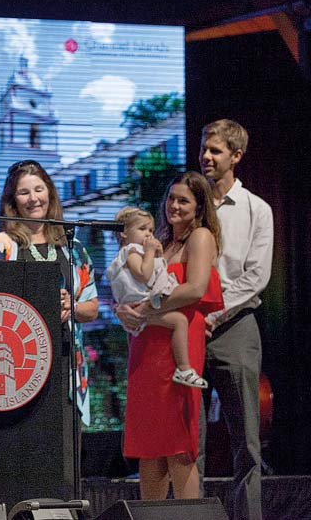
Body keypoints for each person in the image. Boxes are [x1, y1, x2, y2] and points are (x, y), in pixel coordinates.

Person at [118, 171, 224, 500]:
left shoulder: (201, 236)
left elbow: (194, 288)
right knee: (151, 448)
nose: (173, 206)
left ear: (199, 205)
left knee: (180, 445)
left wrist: (147, 308)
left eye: (183, 200)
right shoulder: (161, 241)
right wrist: (125, 310)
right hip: (147, 346)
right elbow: (135, 286)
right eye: (171, 198)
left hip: (179, 345)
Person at [198, 119, 273, 520]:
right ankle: (191, 513)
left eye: (215, 151)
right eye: (204, 149)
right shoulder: (189, 203)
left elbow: (256, 277)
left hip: (236, 326)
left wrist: (214, 311)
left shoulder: (255, 209)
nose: (206, 157)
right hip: (190, 327)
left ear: (236, 156)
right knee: (189, 439)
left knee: (246, 438)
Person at [0, 160, 99, 425]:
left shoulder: (74, 248)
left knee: (67, 451)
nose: (33, 198)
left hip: (65, 364)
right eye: (24, 192)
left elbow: (92, 308)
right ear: (12, 201)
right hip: (18, 366)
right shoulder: (3, 246)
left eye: (39, 190)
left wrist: (70, 305)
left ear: (50, 193)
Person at [105, 206, 206, 389]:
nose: (148, 235)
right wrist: (151, 252)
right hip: (139, 308)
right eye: (142, 229)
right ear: (124, 233)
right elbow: (144, 274)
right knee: (179, 321)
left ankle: (183, 368)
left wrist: (156, 254)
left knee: (179, 321)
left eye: (151, 230)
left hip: (141, 309)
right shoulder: (132, 251)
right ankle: (184, 368)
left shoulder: (136, 251)